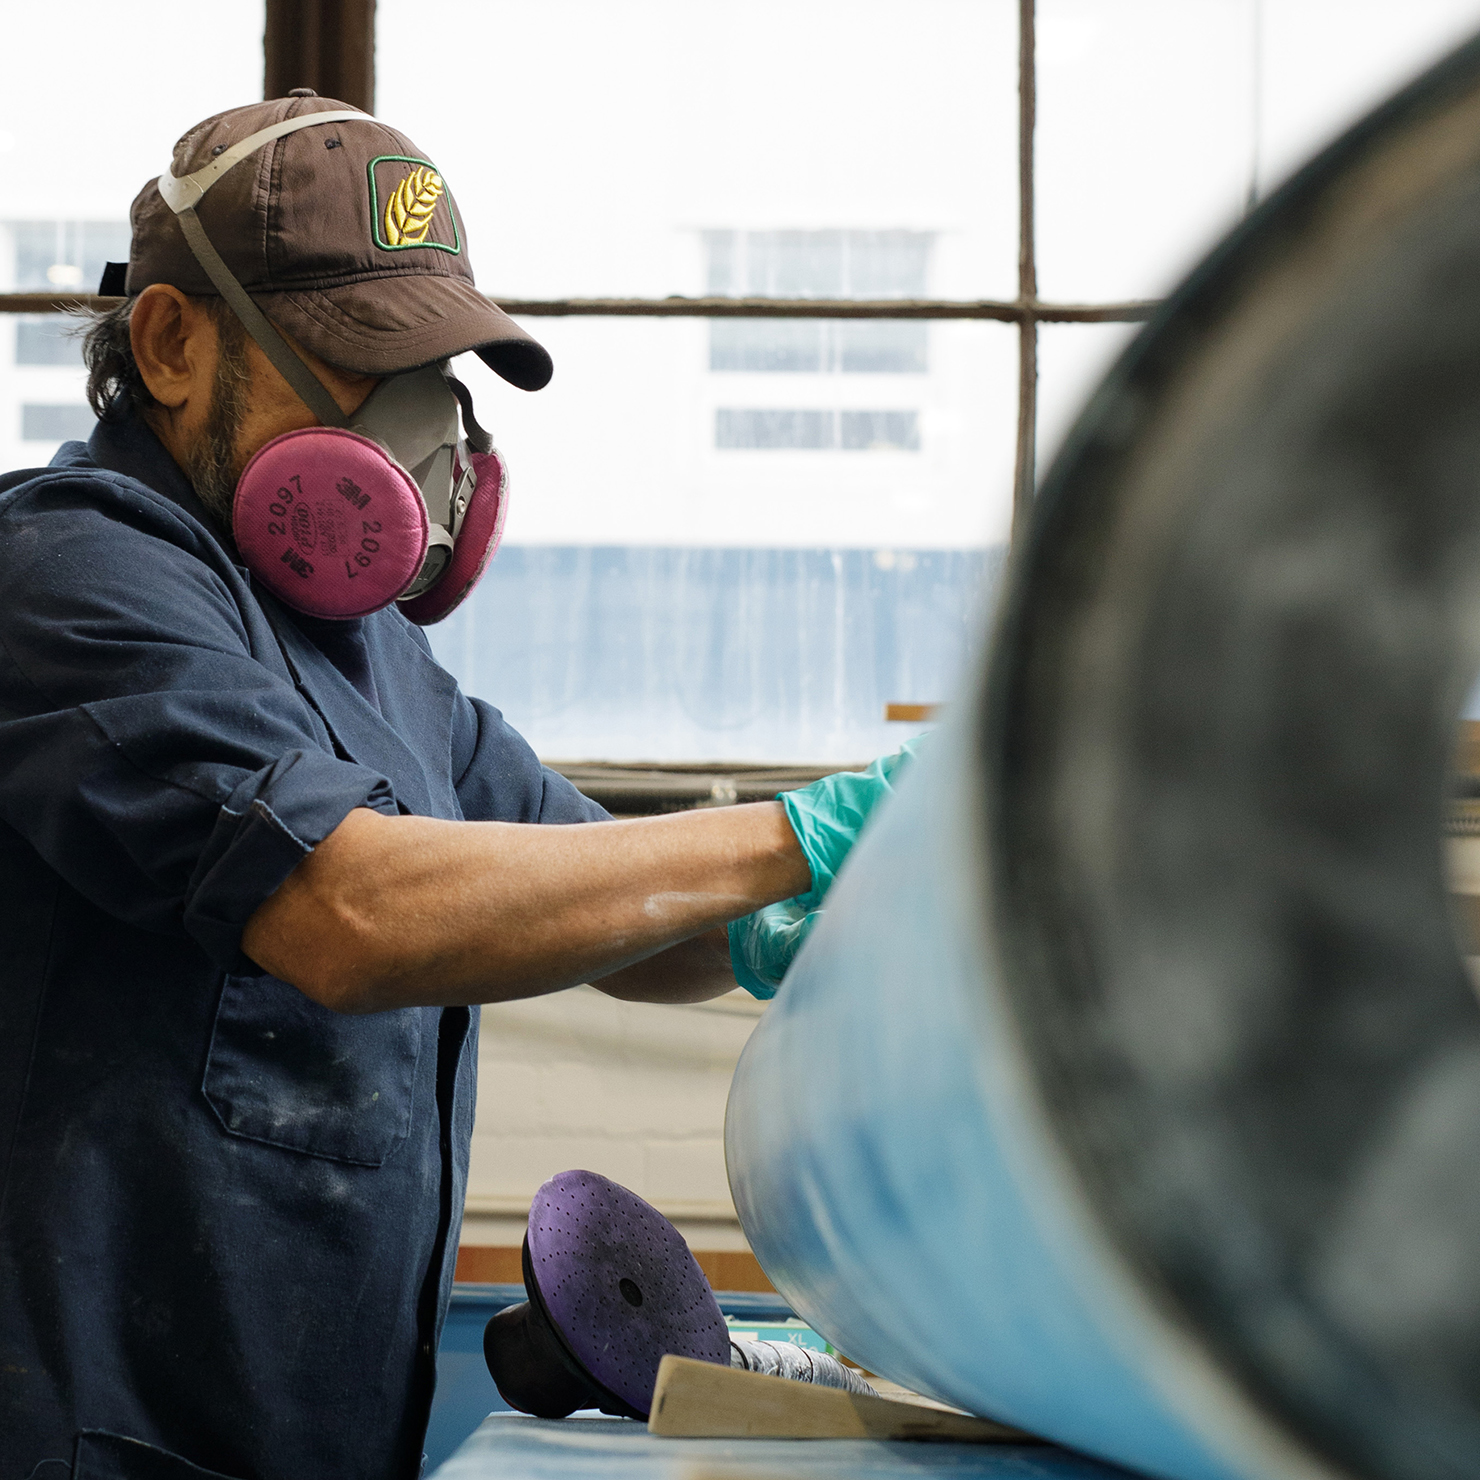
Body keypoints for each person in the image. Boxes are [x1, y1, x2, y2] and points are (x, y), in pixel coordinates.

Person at [0, 96, 913, 1480]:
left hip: (309, 1446)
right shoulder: (72, 576)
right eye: (362, 360)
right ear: (174, 345)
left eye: (438, 368)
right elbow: (349, 914)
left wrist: (835, 892)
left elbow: (617, 907)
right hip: (94, 1443)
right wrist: (792, 834)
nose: (432, 431)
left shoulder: (380, 663)